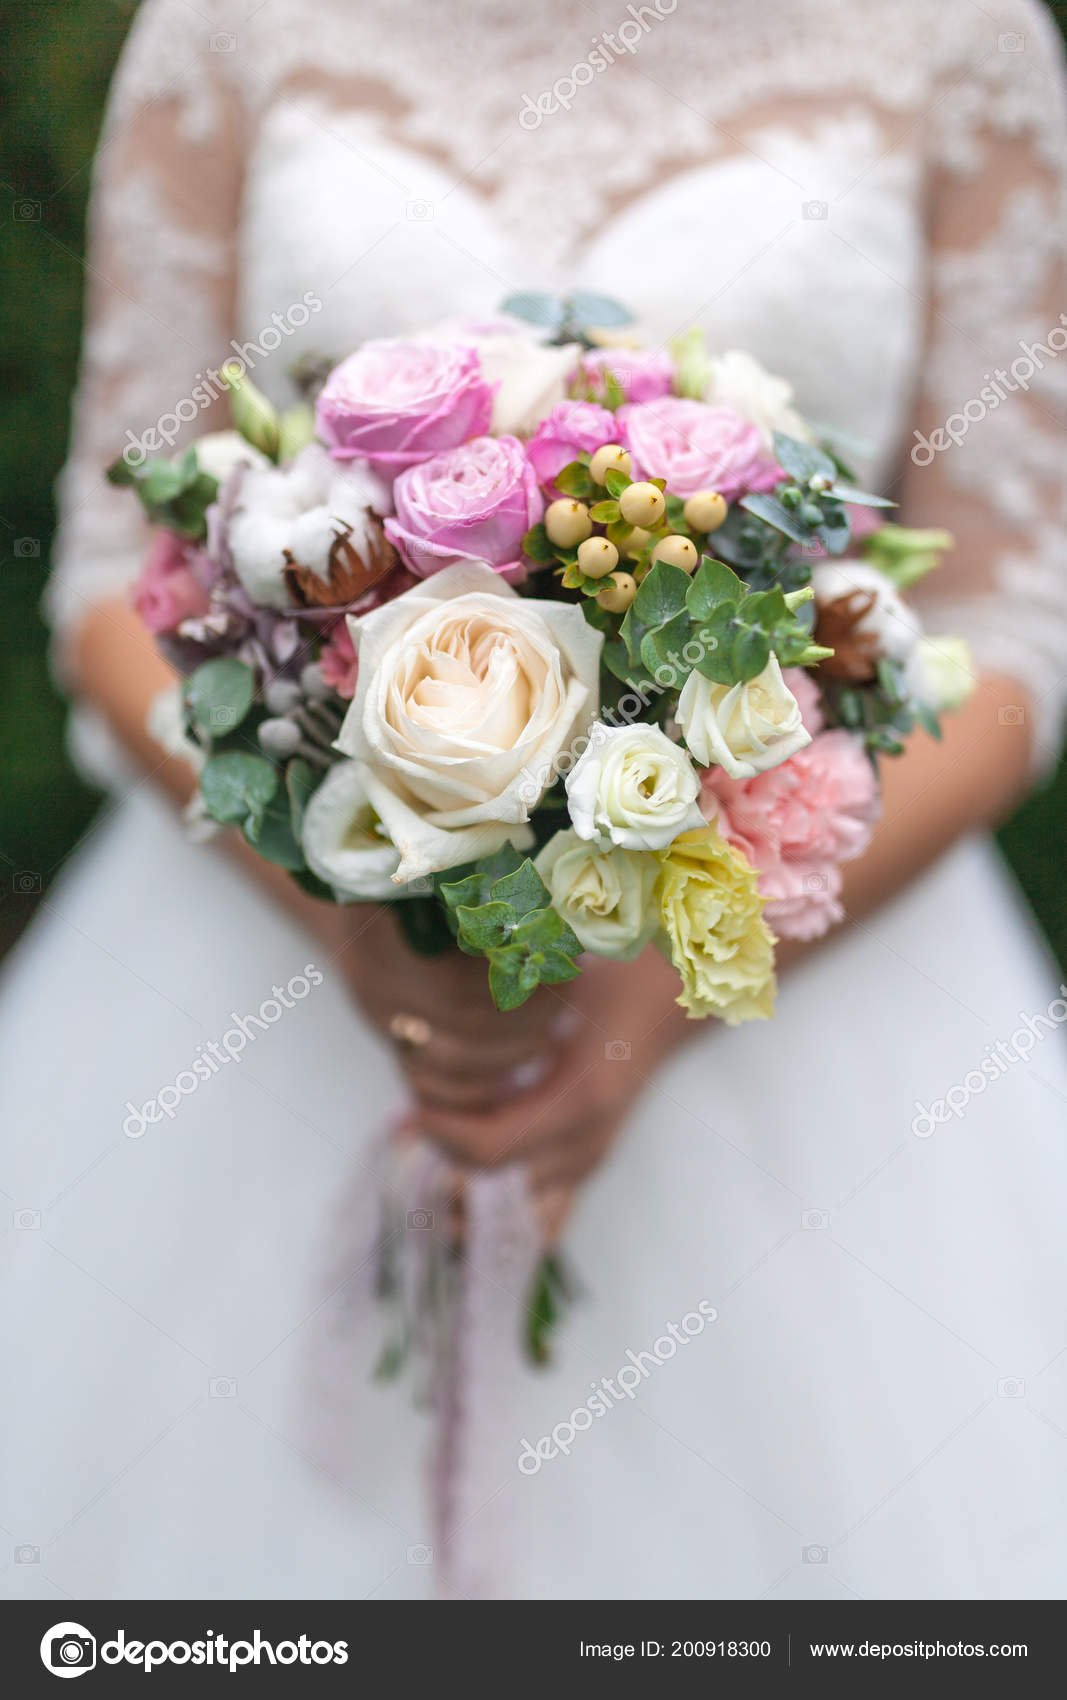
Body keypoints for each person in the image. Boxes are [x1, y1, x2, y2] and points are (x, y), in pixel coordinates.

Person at [2, 0, 1066, 1600]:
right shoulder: (226, 22)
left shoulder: (963, 35)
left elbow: (1008, 633)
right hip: (273, 959)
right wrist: (352, 901)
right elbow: (108, 575)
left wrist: (651, 1007)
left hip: (790, 993)